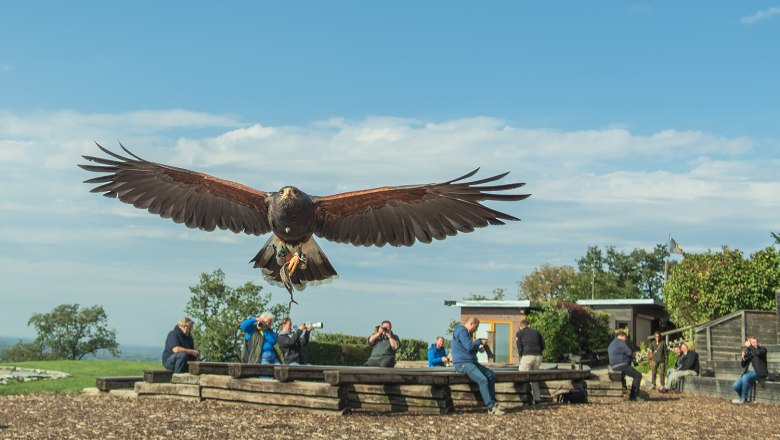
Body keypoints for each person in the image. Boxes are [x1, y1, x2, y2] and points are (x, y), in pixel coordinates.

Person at [452, 317, 504, 415]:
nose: (476, 329)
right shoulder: (462, 331)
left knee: (491, 375)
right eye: (476, 327)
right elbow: (469, 346)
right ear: (471, 323)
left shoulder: (466, 332)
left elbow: (467, 348)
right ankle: (490, 407)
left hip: (471, 362)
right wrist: (480, 341)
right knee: (482, 380)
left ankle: (493, 403)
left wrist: (477, 349)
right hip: (462, 363)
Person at [608, 329, 644, 401]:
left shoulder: (612, 343)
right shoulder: (621, 342)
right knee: (638, 375)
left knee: (626, 375)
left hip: (614, 365)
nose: (626, 340)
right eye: (626, 338)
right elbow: (629, 352)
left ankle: (625, 389)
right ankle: (634, 396)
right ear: (623, 336)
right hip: (621, 365)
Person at [732, 336, 768, 404]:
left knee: (746, 377)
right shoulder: (749, 351)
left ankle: (743, 399)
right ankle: (741, 398)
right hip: (748, 373)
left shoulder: (763, 350)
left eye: (756, 342)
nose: (756, 344)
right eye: (753, 342)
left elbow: (758, 353)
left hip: (760, 373)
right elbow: (743, 365)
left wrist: (750, 346)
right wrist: (743, 358)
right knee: (735, 386)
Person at [516, 319, 545, 404]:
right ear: (529, 325)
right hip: (538, 356)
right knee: (534, 378)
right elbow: (543, 345)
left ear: (521, 326)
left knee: (522, 377)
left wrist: (521, 356)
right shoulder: (537, 332)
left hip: (527, 355)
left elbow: (519, 346)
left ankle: (524, 398)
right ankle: (537, 399)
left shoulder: (519, 333)